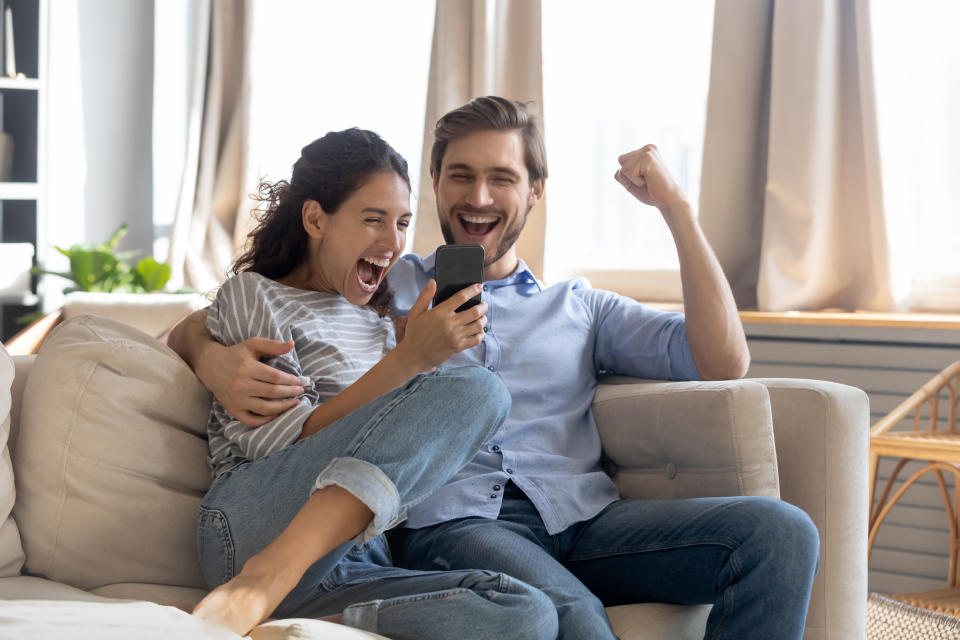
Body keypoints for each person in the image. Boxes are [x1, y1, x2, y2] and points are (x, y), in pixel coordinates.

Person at [170, 98, 820, 639]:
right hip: (456, 525)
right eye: (460, 175)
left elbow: (723, 360)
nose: (478, 196)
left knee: (780, 533)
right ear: (436, 184)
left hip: (582, 519)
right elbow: (250, 299)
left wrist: (677, 209)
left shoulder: (579, 307)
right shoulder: (382, 282)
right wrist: (207, 352)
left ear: (535, 190)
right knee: (575, 621)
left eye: (501, 178)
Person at [186, 128, 558, 640]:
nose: (392, 243)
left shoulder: (379, 321)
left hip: (351, 562)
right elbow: (274, 443)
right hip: (251, 526)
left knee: (528, 613)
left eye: (402, 222)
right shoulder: (256, 296)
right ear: (315, 219)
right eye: (372, 220)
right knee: (481, 390)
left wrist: (410, 360)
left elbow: (392, 450)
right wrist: (407, 362)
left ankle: (298, 624)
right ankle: (262, 580)